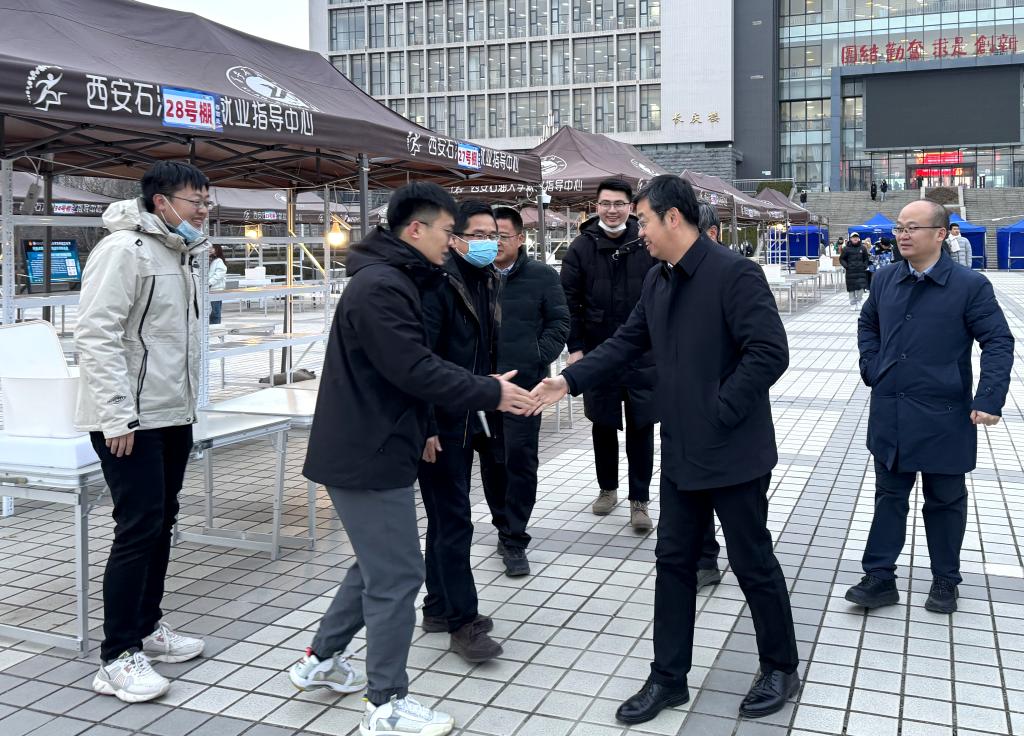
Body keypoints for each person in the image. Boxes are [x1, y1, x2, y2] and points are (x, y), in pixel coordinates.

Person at [532, 175, 800, 723]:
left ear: (673, 218)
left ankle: (780, 666)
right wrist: (568, 380)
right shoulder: (659, 278)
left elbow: (770, 352)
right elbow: (627, 342)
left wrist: (717, 409)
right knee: (673, 563)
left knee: (752, 561)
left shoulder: (734, 273)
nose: (641, 232)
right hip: (680, 451)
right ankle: (668, 678)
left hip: (733, 451)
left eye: (645, 221)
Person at [295, 183, 537, 736]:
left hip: (374, 446)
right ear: (415, 229)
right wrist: (490, 391)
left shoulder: (395, 278)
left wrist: (479, 385)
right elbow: (414, 368)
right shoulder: (383, 286)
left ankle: (320, 660)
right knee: (399, 575)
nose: (453, 242)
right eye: (449, 231)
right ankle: (385, 703)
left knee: (375, 566)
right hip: (368, 451)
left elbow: (418, 363)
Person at [76, 161, 210, 703]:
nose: (204, 210)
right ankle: (116, 656)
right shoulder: (123, 251)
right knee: (136, 529)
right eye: (196, 201)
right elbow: (96, 333)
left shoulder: (179, 253)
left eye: (207, 201)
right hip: (131, 420)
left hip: (171, 412)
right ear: (162, 202)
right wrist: (116, 414)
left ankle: (147, 626)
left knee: (160, 523)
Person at [845, 200, 1013, 615]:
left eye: (912, 228)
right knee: (889, 496)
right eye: (900, 227)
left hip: (945, 413)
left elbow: (998, 340)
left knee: (945, 500)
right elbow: (869, 323)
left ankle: (945, 579)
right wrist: (872, 366)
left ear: (940, 234)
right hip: (891, 410)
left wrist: (989, 397)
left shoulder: (969, 286)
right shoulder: (886, 278)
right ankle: (879, 577)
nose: (902, 235)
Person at [416, 200, 506, 663]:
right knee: (454, 520)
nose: (488, 242)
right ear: (454, 238)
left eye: (494, 234)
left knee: (445, 518)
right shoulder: (439, 283)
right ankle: (462, 622)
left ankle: (437, 606)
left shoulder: (484, 278)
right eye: (478, 234)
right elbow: (421, 360)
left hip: (469, 415)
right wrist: (427, 425)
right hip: (441, 420)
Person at [560, 179, 659, 532]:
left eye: (619, 203)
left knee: (642, 426)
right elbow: (568, 303)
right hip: (598, 351)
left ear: (630, 207)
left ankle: (639, 500)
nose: (612, 210)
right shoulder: (580, 248)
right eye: (605, 203)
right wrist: (575, 347)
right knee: (602, 422)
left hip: (644, 352)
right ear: (596, 206)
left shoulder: (647, 242)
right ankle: (607, 488)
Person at [487, 206, 570, 575]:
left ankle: (515, 537)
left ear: (521, 238)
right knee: (492, 461)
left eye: (503, 236)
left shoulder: (542, 275)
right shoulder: (475, 274)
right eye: (489, 236)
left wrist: (536, 357)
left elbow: (560, 321)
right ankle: (502, 525)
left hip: (525, 387)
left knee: (520, 460)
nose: (495, 243)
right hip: (484, 386)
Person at [841, 232, 871, 310]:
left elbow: (866, 259)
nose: (855, 238)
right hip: (850, 272)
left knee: (861, 288)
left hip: (861, 271)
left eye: (856, 237)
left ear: (858, 239)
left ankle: (859, 301)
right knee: (851, 289)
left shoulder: (863, 248)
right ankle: (853, 303)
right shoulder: (846, 249)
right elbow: (842, 259)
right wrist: (846, 266)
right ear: (851, 239)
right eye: (853, 237)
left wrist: (864, 266)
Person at [208, 243, 227, 324]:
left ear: (217, 250)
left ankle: (215, 326)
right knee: (212, 310)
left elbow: (219, 274)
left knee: (215, 310)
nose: (210, 249)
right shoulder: (210, 260)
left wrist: (209, 283)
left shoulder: (218, 261)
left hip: (216, 289)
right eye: (209, 248)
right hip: (211, 289)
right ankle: (212, 325)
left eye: (212, 248)